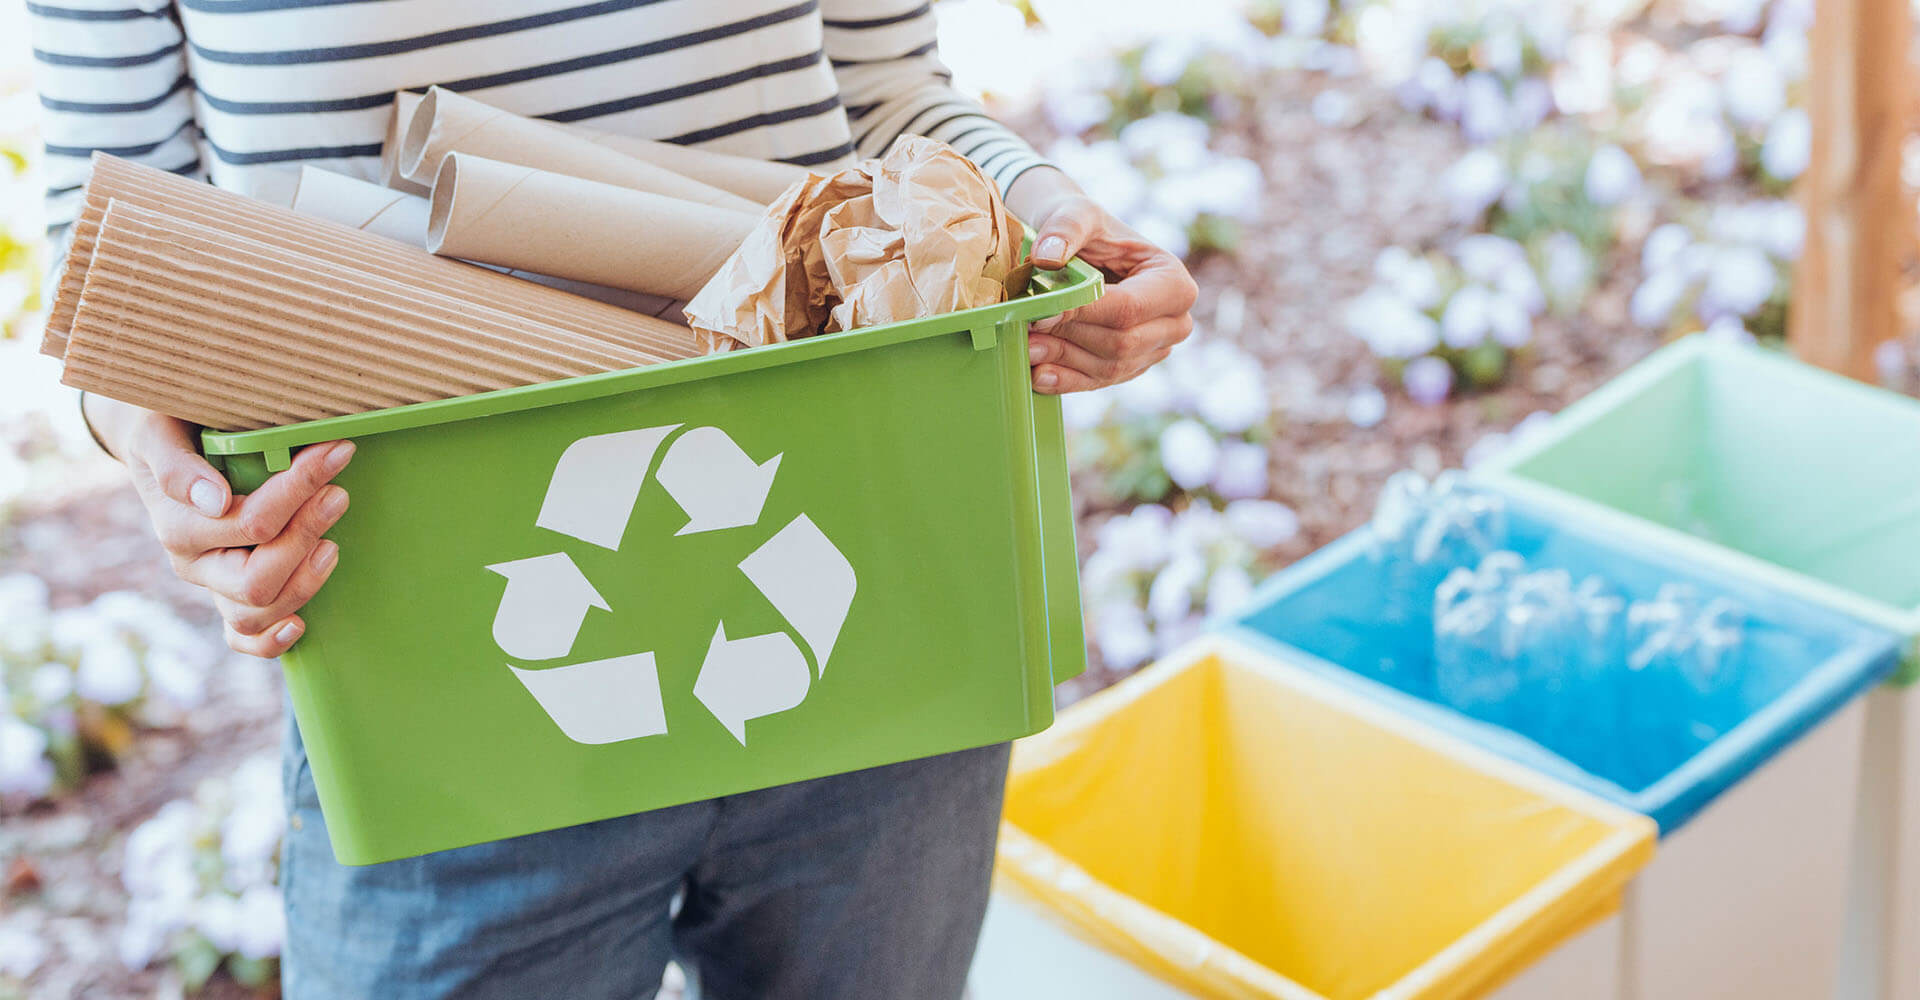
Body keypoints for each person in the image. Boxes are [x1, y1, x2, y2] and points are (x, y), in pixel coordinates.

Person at [31, 2, 1196, 996]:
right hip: (435, 666)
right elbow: (114, 233)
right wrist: (161, 462)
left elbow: (886, 91)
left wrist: (1059, 225)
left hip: (871, 598)